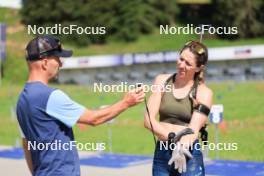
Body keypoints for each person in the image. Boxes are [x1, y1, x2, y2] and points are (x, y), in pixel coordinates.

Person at [16, 35, 145, 176]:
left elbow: (26, 144)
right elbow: (94, 119)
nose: (61, 63)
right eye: (58, 58)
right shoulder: (50, 96)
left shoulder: (22, 100)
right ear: (45, 63)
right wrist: (126, 102)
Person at [144, 41, 213, 176]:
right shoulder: (162, 81)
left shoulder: (204, 93)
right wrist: (173, 141)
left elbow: (193, 130)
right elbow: (148, 120)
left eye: (188, 63)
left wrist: (180, 146)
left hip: (188, 153)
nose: (181, 65)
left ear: (199, 68)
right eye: (181, 59)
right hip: (162, 152)